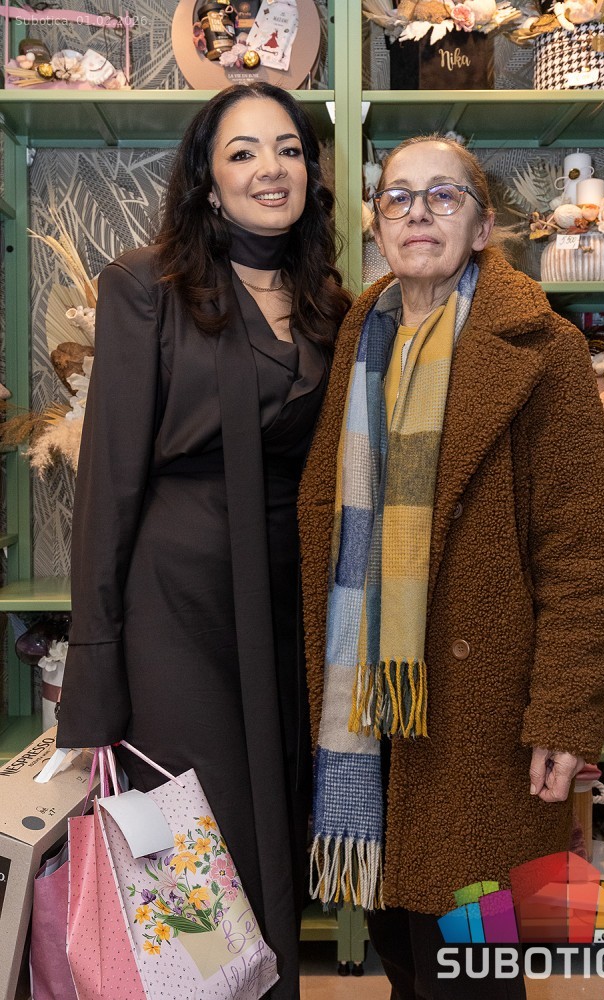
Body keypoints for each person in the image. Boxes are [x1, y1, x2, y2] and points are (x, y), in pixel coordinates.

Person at [298, 135, 604, 999]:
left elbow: (583, 552)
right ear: (376, 226)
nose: (418, 213)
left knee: (473, 967)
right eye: (397, 197)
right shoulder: (358, 340)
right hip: (369, 707)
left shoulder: (540, 348)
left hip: (486, 715)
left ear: (482, 227)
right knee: (406, 958)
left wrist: (563, 714)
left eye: (443, 196)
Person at [56, 81, 351, 999]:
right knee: (195, 837)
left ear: (312, 171)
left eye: (289, 149)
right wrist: (96, 665)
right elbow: (110, 482)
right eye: (242, 152)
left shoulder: (328, 301)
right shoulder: (146, 287)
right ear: (206, 180)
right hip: (176, 603)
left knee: (277, 822)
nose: (271, 169)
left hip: (288, 594)